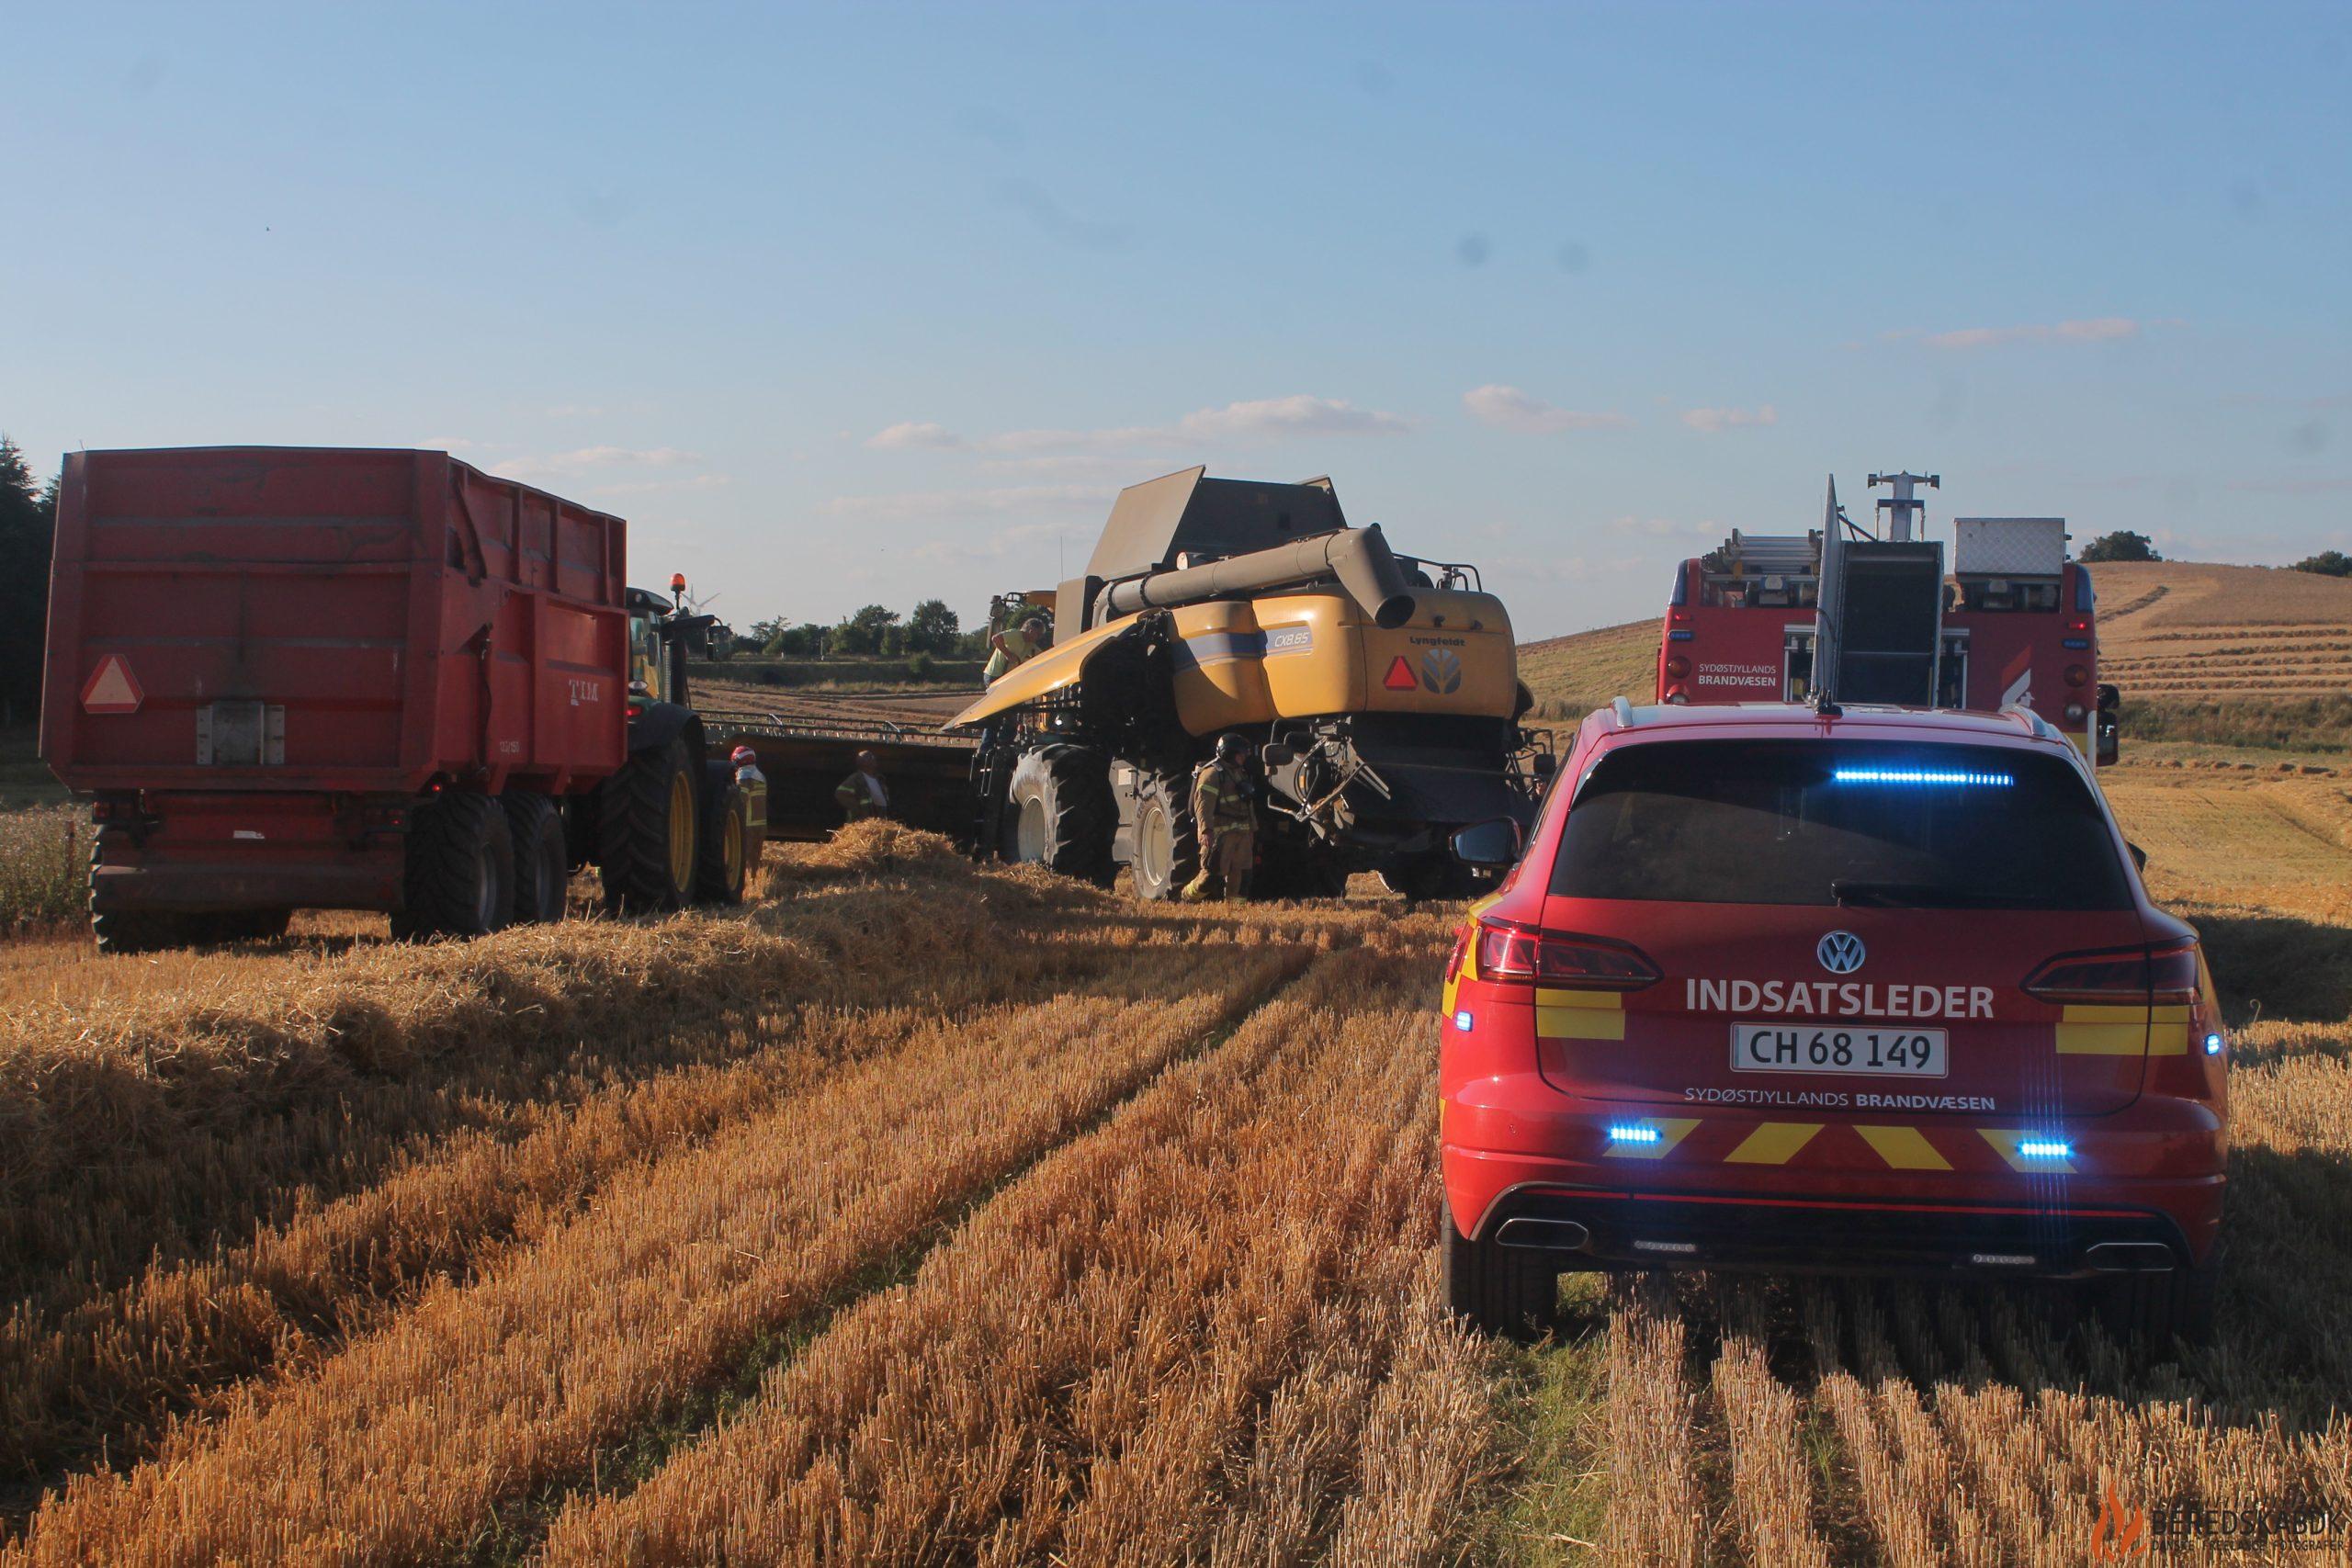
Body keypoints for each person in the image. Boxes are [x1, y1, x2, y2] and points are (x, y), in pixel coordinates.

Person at [1182, 733, 1257, 902]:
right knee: (1211, 877)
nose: (1243, 758)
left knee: (1242, 876)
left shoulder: (1240, 773)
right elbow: (1203, 805)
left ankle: (1235, 910)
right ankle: (1186, 898)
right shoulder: (1212, 774)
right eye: (1241, 754)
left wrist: (1253, 829)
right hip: (1220, 835)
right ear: (1229, 753)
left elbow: (1248, 804)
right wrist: (1206, 830)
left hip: (1242, 834)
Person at [984, 615, 1048, 682]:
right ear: (1031, 631)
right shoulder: (1015, 634)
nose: (1039, 638)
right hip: (993, 675)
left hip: (1006, 677)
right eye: (1038, 634)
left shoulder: (1030, 645)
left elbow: (1042, 657)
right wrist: (1008, 655)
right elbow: (996, 638)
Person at [834, 749, 890, 821]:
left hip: (879, 822)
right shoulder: (856, 779)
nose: (874, 759)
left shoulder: (879, 779)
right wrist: (857, 808)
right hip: (863, 823)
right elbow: (840, 793)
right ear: (864, 763)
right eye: (871, 757)